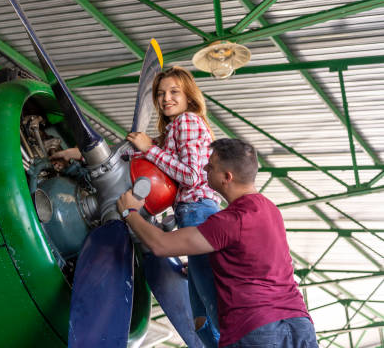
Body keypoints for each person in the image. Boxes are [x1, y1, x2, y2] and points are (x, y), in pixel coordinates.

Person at [53, 66, 221, 347]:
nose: (166, 98)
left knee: (211, 309)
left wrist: (150, 148)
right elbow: (124, 155)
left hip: (198, 212)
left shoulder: (188, 121)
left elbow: (192, 175)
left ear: (189, 97)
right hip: (192, 216)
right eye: (161, 93)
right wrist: (78, 154)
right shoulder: (173, 131)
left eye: (174, 92)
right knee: (201, 315)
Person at [117, 138, 318, 348]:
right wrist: (207, 266)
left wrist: (129, 212)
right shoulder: (270, 210)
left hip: (256, 328)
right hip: (299, 324)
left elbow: (161, 244)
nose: (204, 168)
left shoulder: (231, 220)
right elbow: (252, 257)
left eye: (210, 166)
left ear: (227, 177)